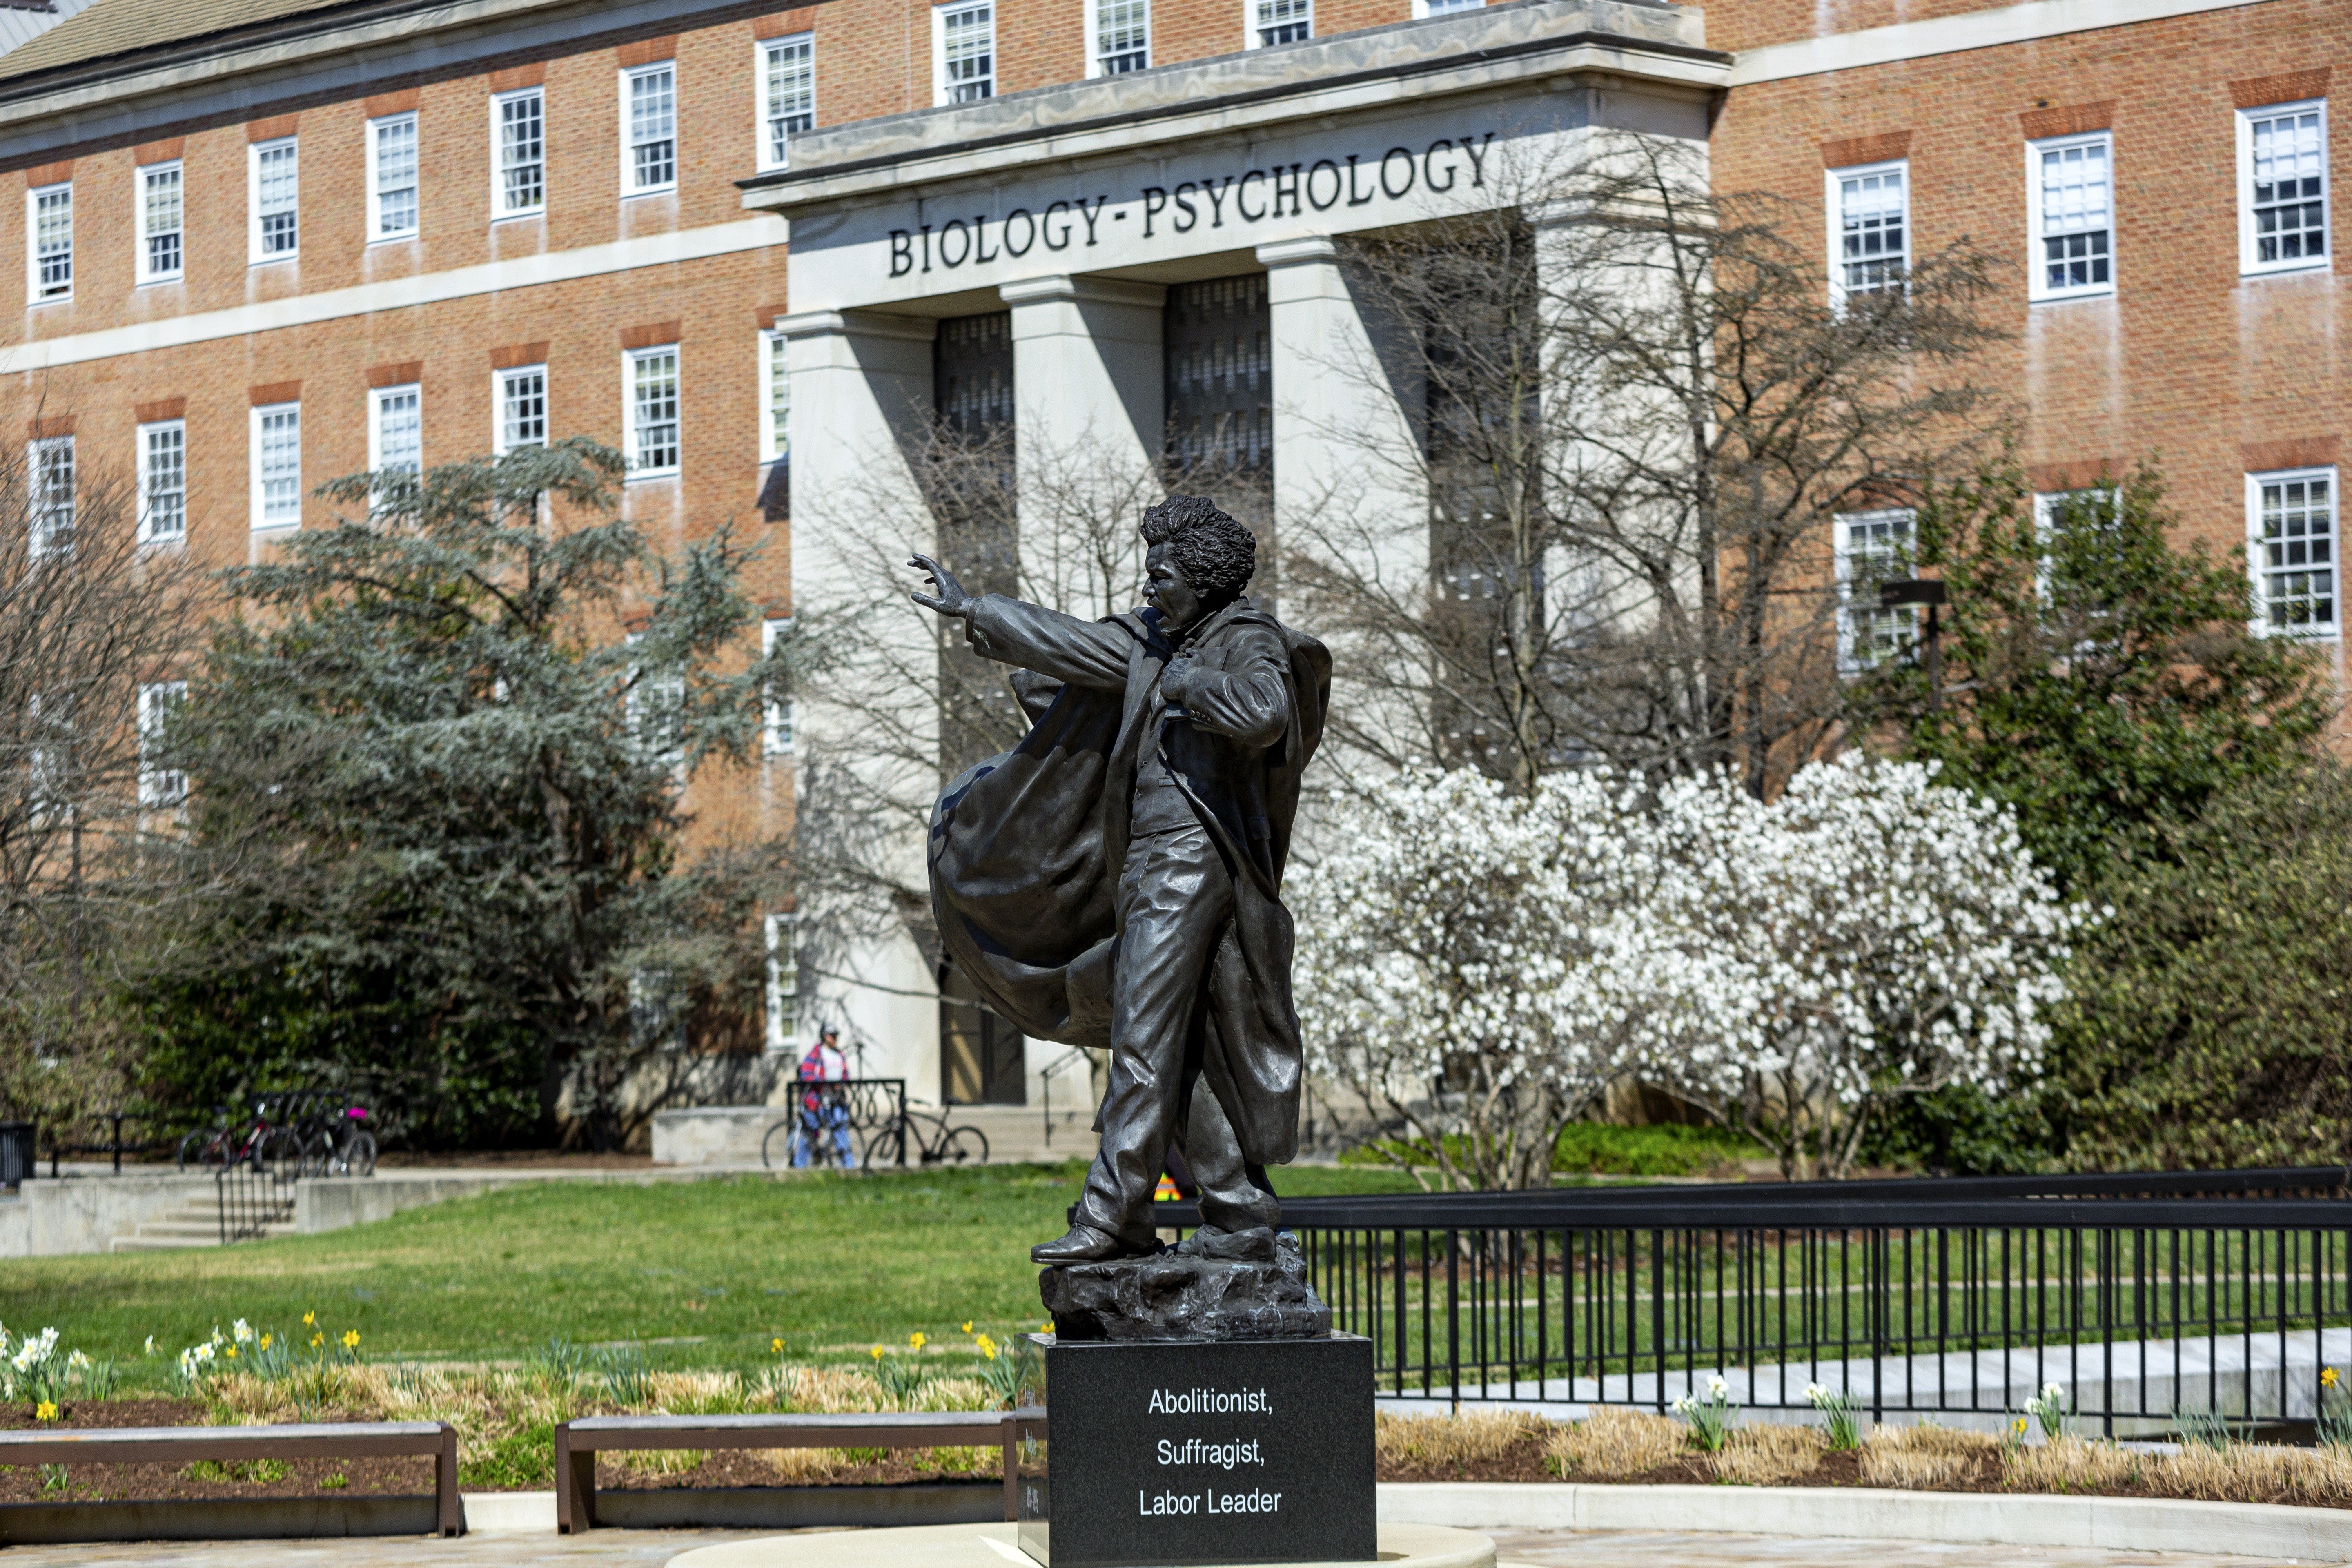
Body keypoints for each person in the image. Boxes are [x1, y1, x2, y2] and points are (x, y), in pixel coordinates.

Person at [912, 494, 1331, 1265]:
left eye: (1162, 575)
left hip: (1194, 862)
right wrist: (974, 607)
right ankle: (1238, 1211)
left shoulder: (1245, 640)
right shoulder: (1153, 644)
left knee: (1141, 1032)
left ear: (1203, 581)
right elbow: (1067, 643)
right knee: (1175, 1039)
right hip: (1142, 865)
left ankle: (1112, 1214)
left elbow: (1267, 711)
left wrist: (1187, 687)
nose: (1149, 586)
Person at [792, 1027, 857, 1168]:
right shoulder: (816, 1054)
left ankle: (849, 1168)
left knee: (841, 1133)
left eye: (835, 1036)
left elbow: (846, 1074)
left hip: (836, 1101)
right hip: (816, 1101)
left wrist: (842, 1083)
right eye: (831, 1035)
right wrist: (825, 1081)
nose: (834, 1038)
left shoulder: (839, 1055)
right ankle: (798, 1169)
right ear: (824, 1036)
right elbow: (806, 1073)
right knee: (810, 1135)